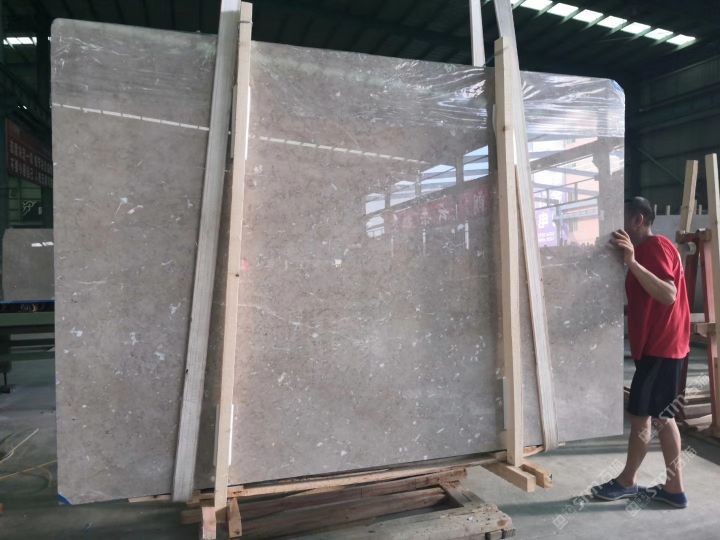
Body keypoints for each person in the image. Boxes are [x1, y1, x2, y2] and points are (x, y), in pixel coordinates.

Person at [594, 196, 690, 508]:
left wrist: (633, 263)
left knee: (650, 417)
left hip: (661, 348)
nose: (616, 227)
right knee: (654, 416)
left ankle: (631, 482)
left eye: (621, 218)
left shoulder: (654, 247)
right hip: (659, 347)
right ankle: (671, 488)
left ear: (638, 219)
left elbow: (668, 294)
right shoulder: (647, 250)